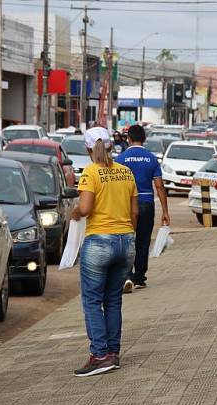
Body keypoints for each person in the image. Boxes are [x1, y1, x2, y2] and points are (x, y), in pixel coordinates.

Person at [71, 126, 138, 377]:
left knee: (91, 301)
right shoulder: (125, 172)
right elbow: (135, 213)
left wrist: (74, 212)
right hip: (126, 241)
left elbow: (86, 208)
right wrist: (128, 236)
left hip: (99, 241)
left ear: (88, 149)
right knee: (113, 300)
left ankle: (100, 355)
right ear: (111, 145)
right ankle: (113, 353)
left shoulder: (91, 172)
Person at [115, 124, 170, 292]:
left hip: (126, 204)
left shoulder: (121, 159)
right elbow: (159, 186)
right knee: (143, 241)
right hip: (146, 203)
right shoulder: (152, 159)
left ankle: (126, 276)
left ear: (128, 139)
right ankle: (139, 277)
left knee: (126, 240)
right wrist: (165, 211)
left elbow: (116, 185)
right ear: (144, 139)